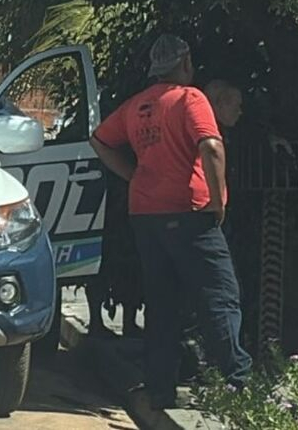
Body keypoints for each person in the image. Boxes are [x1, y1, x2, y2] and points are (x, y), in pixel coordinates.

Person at [89, 34, 252, 408]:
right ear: (185, 64)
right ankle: (239, 382)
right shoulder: (190, 98)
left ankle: (160, 389)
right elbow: (211, 146)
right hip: (190, 213)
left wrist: (133, 175)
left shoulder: (135, 106)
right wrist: (217, 198)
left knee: (162, 304)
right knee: (220, 297)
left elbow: (98, 141)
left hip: (146, 216)